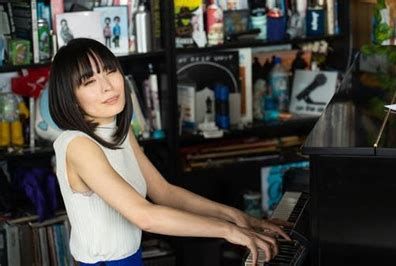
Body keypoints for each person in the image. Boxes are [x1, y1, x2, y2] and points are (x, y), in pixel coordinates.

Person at [48, 38, 290, 266]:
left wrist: (236, 216)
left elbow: (164, 192)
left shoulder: (117, 130)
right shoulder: (78, 145)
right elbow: (145, 216)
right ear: (70, 97)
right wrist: (229, 231)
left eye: (110, 71)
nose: (107, 87)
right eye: (89, 81)